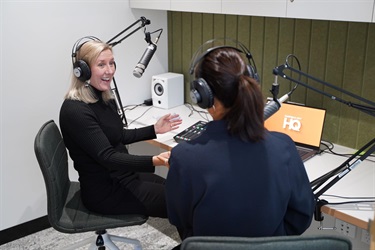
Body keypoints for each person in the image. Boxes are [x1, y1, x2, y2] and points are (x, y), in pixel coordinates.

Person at [165, 45, 316, 245]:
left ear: (203, 95)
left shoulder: (184, 156)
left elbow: (181, 222)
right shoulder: (284, 147)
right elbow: (302, 214)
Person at [59, 38, 181, 218]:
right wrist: (155, 160)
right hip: (105, 191)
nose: (109, 71)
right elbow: (107, 157)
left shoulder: (104, 97)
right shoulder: (75, 110)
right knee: (184, 202)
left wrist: (154, 129)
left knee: (182, 191)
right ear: (82, 70)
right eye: (101, 64)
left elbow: (118, 135)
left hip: (123, 176)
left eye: (111, 63)